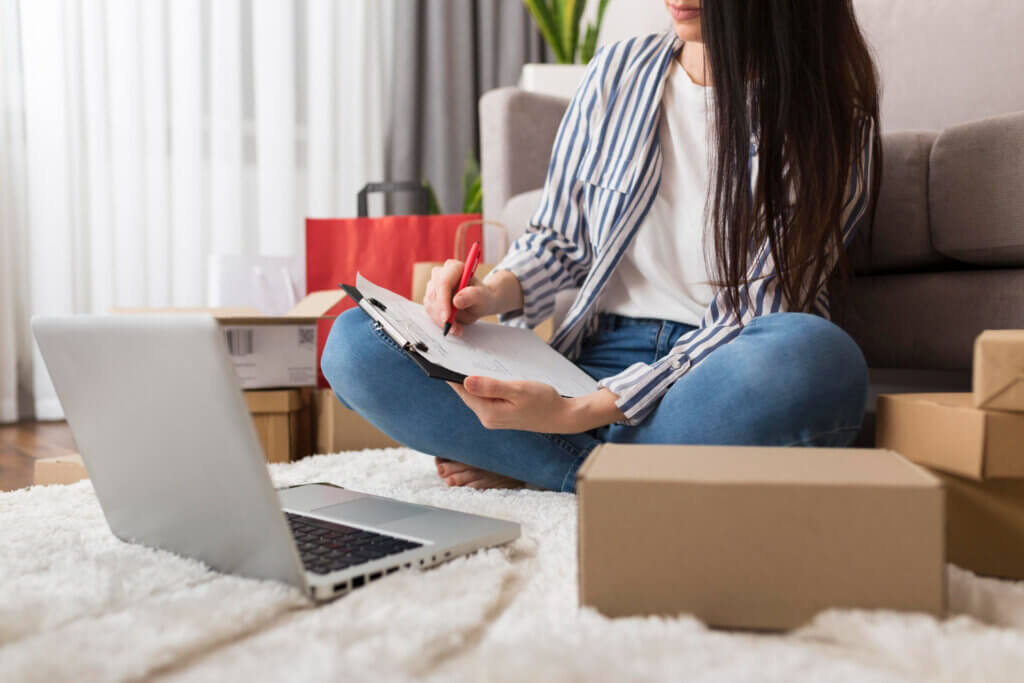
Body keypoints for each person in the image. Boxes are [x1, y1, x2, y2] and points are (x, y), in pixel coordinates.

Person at [321, 0, 881, 492]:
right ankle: (616, 467)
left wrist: (574, 415)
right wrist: (488, 292)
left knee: (815, 359)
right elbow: (558, 240)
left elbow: (756, 311)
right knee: (354, 342)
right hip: (596, 358)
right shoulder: (618, 72)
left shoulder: (830, 120)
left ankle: (548, 460)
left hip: (715, 372)